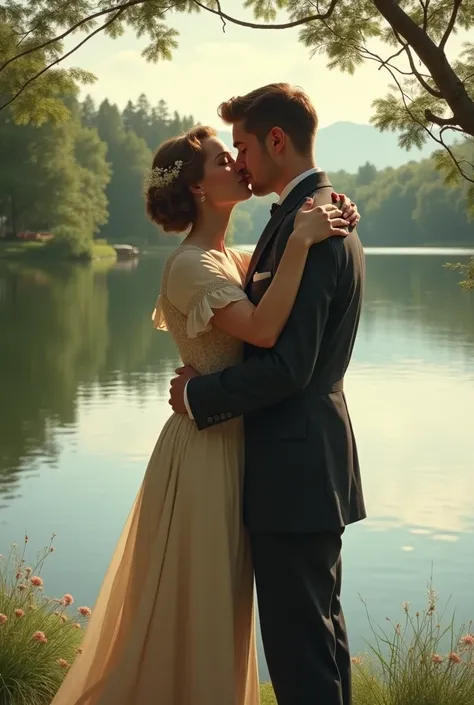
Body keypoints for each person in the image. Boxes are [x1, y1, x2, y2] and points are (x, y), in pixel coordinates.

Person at [48, 121, 360, 705]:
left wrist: (325, 214)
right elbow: (265, 331)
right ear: (196, 188)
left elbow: (279, 283)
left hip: (245, 446)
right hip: (205, 453)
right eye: (224, 159)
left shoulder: (235, 259)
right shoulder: (191, 265)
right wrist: (298, 240)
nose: (238, 165)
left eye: (237, 153)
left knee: (229, 609)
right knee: (198, 602)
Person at [169, 84, 366, 705]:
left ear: (276, 140)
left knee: (299, 651)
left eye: (244, 147)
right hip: (306, 464)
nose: (242, 162)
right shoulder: (305, 217)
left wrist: (202, 396)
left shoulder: (314, 225)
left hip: (295, 468)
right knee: (319, 639)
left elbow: (288, 368)